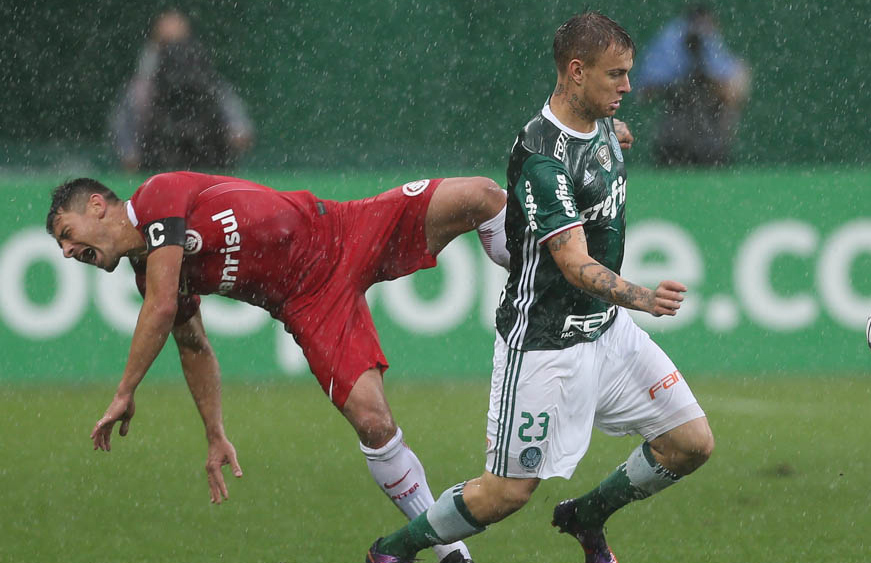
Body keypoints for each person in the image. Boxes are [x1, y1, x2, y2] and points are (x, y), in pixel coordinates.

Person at [365, 12, 714, 563]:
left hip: (606, 331)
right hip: (544, 343)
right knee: (504, 494)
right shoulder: (543, 160)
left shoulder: (600, 121)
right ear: (576, 72)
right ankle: (392, 551)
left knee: (690, 443)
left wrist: (615, 132)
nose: (628, 86)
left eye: (628, 73)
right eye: (615, 74)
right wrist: (643, 297)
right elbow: (573, 263)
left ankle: (586, 516)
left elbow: (607, 136)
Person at [46, 171, 512, 563]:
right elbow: (193, 346)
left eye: (66, 233)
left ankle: (541, 282)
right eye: (61, 247)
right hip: (308, 304)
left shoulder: (156, 195)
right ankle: (451, 553)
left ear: (97, 206)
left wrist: (125, 391)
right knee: (374, 423)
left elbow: (162, 306)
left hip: (341, 227)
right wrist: (214, 432)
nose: (66, 252)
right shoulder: (153, 274)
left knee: (481, 195)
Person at [110, 10, 255, 171]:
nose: (174, 53)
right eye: (166, 44)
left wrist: (237, 128)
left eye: (178, 43)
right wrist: (130, 153)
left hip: (207, 156)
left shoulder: (209, 84)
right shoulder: (142, 88)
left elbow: (236, 123)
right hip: (160, 160)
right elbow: (124, 123)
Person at [633, 4, 751, 166]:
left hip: (706, 115)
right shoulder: (671, 40)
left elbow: (732, 81)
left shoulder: (709, 39)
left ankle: (712, 152)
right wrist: (681, 83)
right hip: (677, 112)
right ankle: (680, 150)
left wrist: (712, 83)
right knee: (686, 103)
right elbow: (646, 89)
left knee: (719, 101)